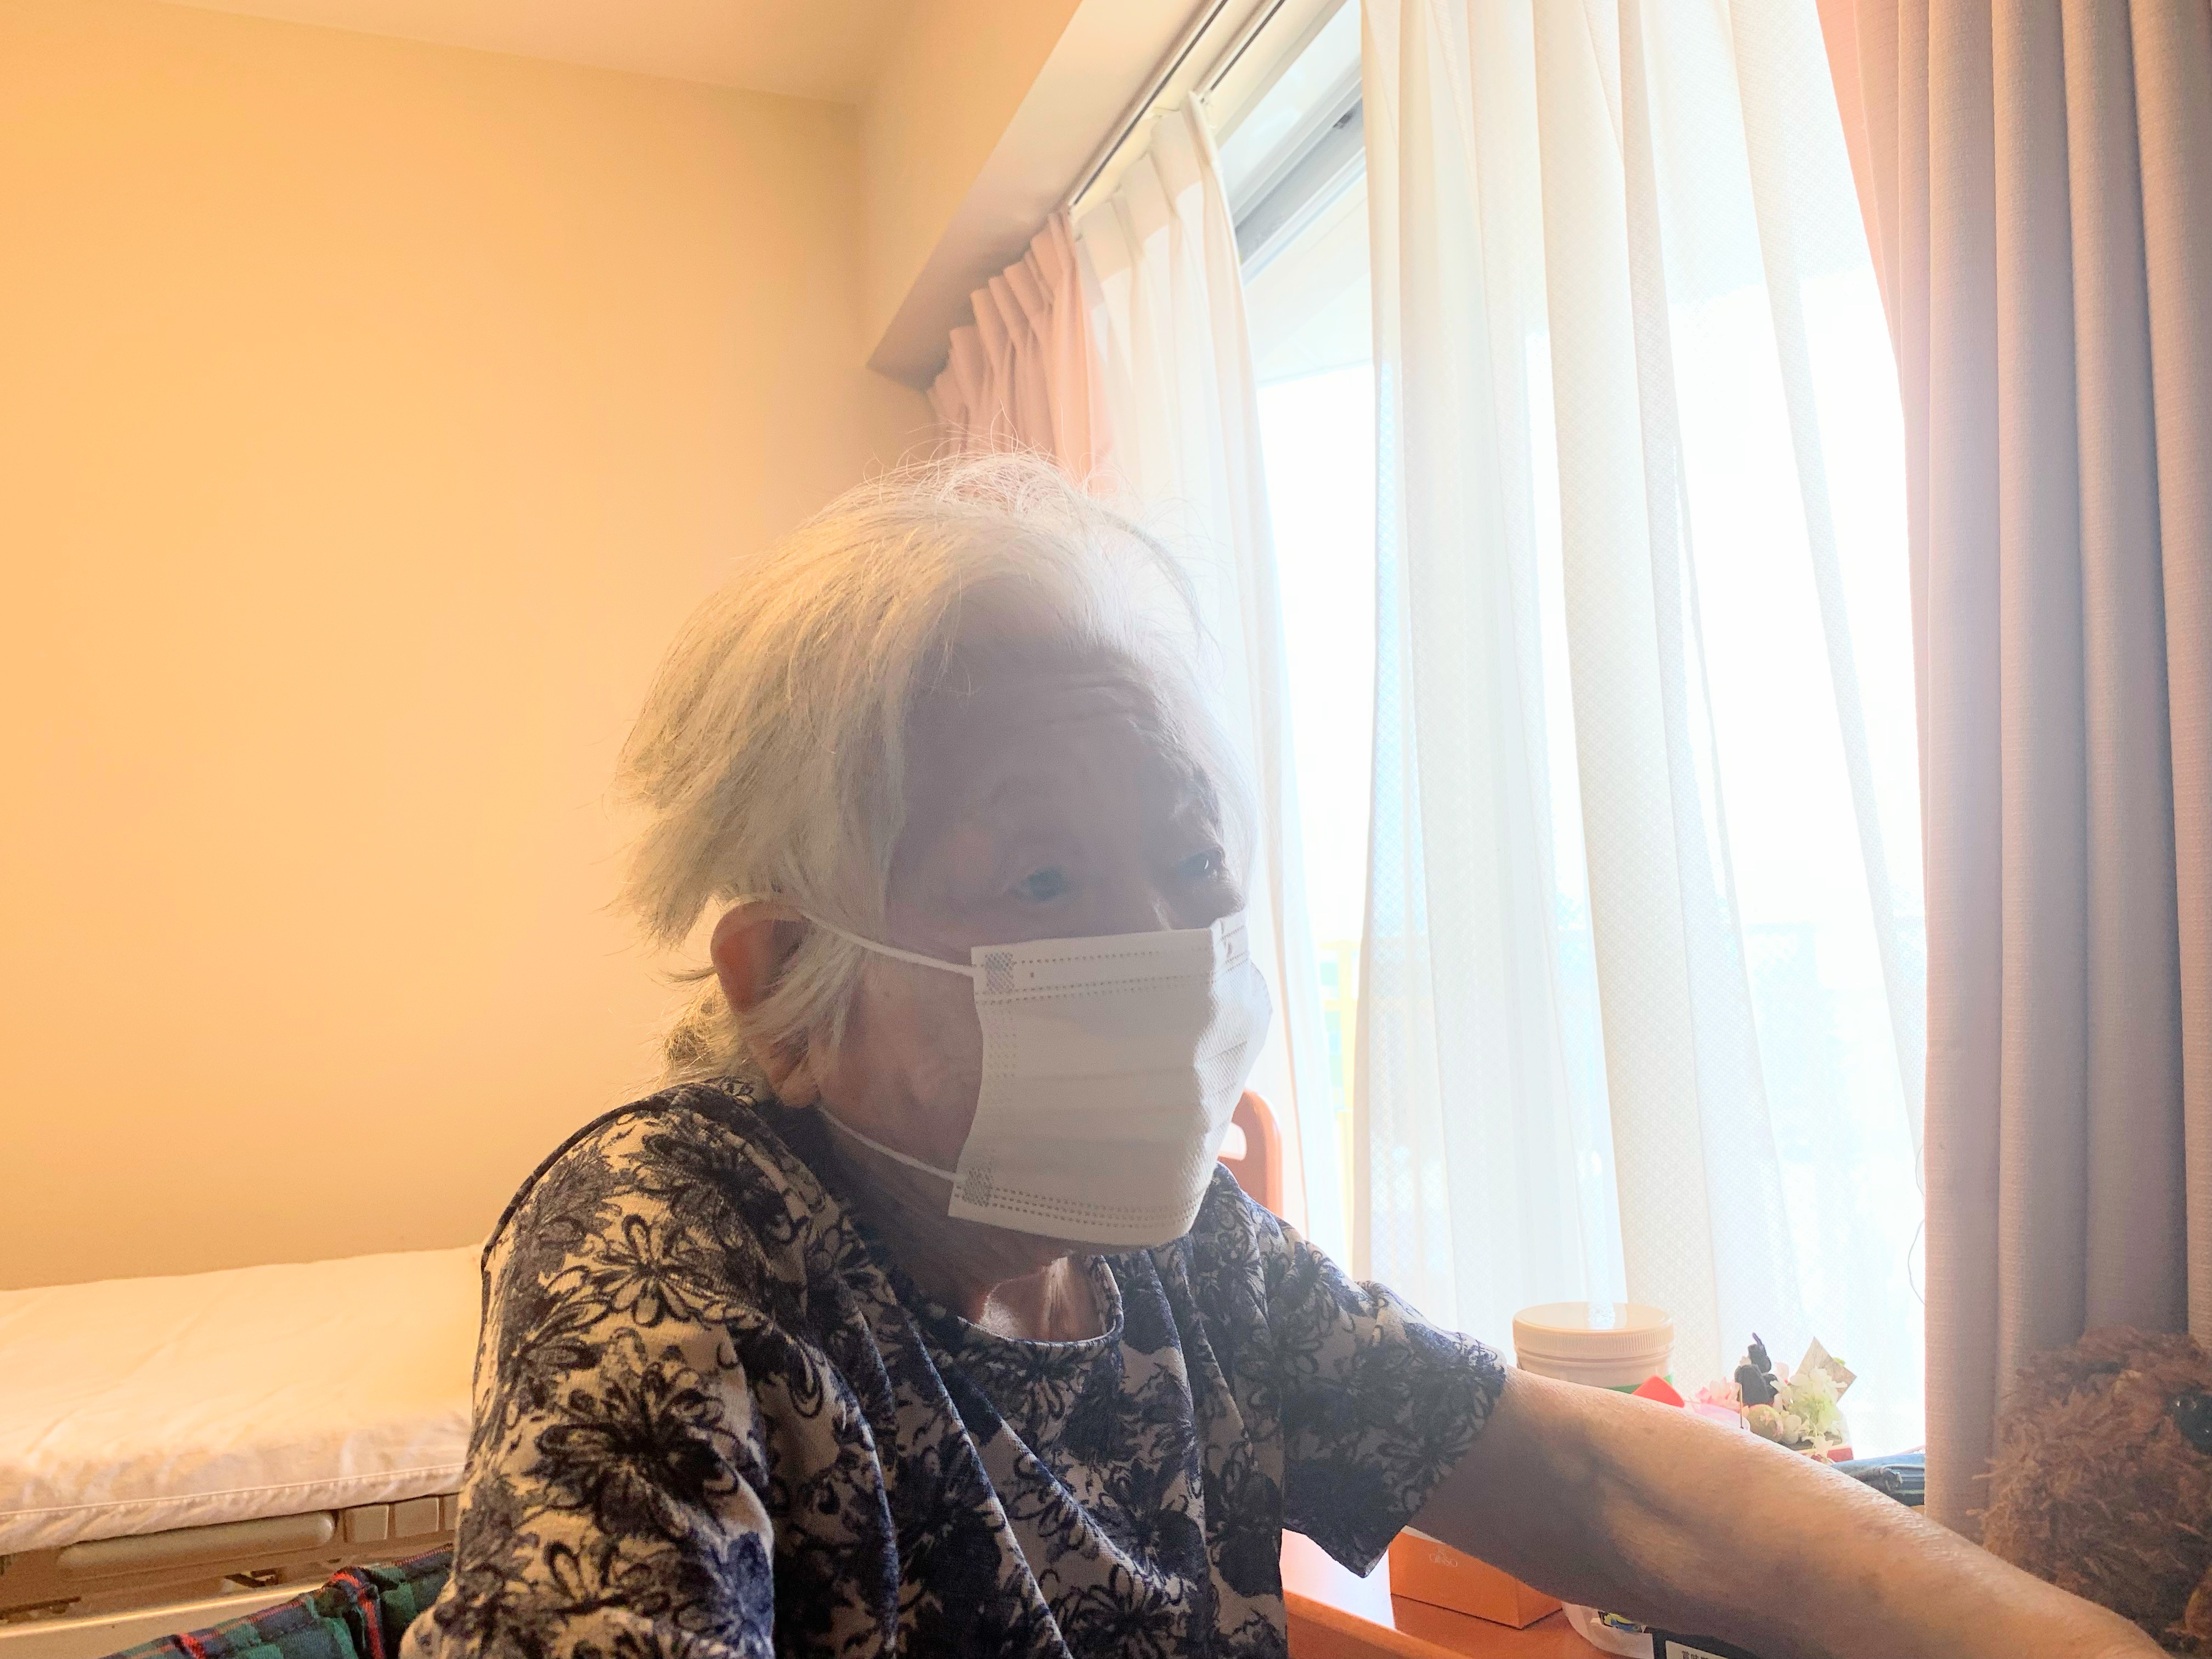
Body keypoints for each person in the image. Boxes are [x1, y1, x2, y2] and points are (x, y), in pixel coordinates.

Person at [403, 457, 2155, 1659]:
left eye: (1194, 869)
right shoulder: (670, 1240)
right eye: (1044, 882)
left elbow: (1598, 1482)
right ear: (794, 989)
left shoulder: (1186, 1254)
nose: (1166, 956)